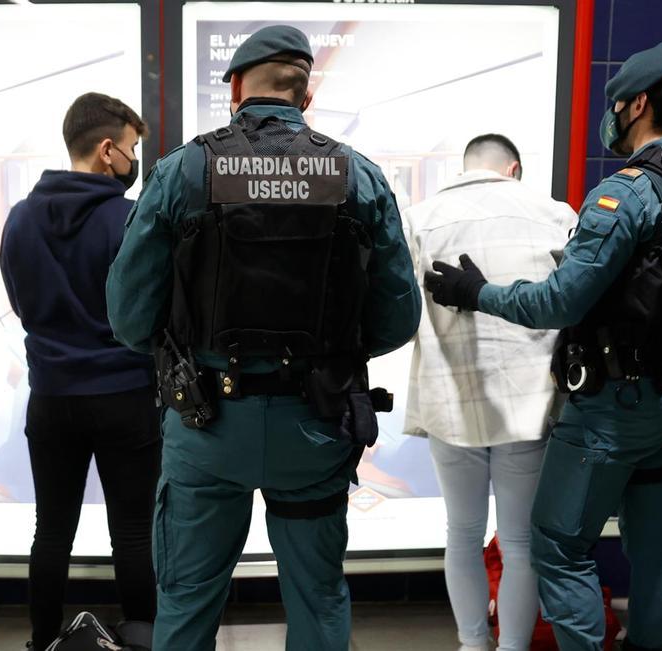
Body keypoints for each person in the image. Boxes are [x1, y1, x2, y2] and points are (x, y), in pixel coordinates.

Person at [106, 25, 420, 650]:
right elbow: (397, 318)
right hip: (316, 425)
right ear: (306, 97)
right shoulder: (358, 176)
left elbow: (129, 317)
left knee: (187, 601)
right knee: (319, 599)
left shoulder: (183, 170)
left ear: (235, 92)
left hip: (206, 426)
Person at [423, 42, 662, 651]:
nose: (611, 114)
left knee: (556, 544)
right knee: (656, 552)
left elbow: (559, 303)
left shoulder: (627, 193)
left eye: (616, 103)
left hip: (615, 409)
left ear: (638, 104)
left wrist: (476, 292)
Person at [402, 133, 575, 651]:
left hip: (451, 399)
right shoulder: (555, 214)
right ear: (513, 168)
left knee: (462, 532)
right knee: (520, 542)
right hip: (529, 402)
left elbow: (401, 311)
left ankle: (472, 643)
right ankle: (514, 647)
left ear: (465, 167)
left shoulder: (419, 219)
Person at [0, 92, 159, 650]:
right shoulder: (129, 218)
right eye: (132, 148)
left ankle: (43, 641)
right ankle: (141, 642)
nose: (134, 161)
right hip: (126, 396)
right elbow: (149, 310)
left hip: (51, 397)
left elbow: (20, 303)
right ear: (107, 149)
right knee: (134, 533)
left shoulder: (20, 218)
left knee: (52, 531)